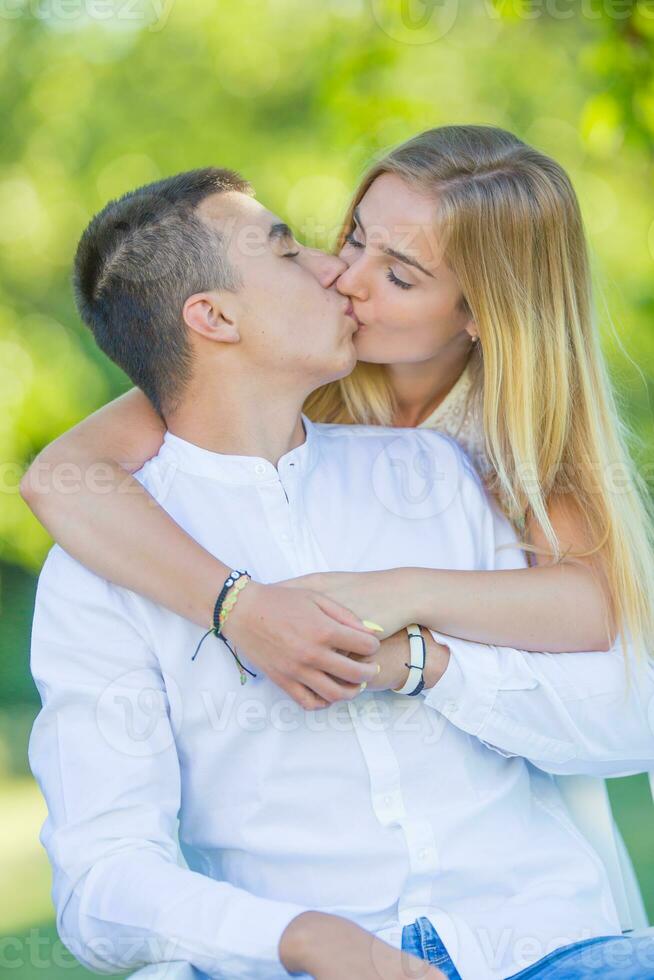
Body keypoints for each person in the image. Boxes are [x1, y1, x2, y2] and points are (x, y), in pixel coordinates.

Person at [28, 168, 654, 980]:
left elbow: (621, 716)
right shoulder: (106, 561)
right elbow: (102, 882)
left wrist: (424, 663)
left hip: (545, 950)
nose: (337, 272)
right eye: (293, 251)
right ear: (212, 316)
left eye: (396, 271)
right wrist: (300, 938)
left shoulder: (441, 469)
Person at [20, 126, 654, 714]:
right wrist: (241, 611)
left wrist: (406, 593)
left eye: (399, 276)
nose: (346, 278)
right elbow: (61, 479)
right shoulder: (291, 367)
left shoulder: (509, 426)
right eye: (354, 237)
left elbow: (595, 604)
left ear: (485, 313)